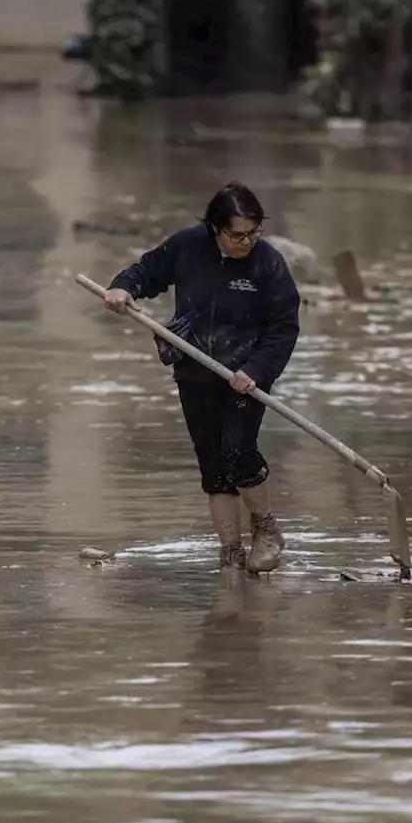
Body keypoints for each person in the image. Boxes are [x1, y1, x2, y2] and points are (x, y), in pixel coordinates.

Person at [103, 182, 300, 573]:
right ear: (215, 228)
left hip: (244, 375)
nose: (246, 242)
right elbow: (146, 272)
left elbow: (284, 329)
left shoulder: (268, 264)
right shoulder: (188, 246)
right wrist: (123, 288)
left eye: (253, 233)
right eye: (237, 234)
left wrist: (255, 371)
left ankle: (266, 529)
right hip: (194, 369)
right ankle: (230, 553)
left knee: (239, 451)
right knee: (213, 464)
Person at [80, 0, 165, 101]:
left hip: (134, 26)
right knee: (101, 48)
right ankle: (113, 82)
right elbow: (97, 14)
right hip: (117, 28)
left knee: (115, 47)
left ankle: (138, 82)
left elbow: (152, 11)